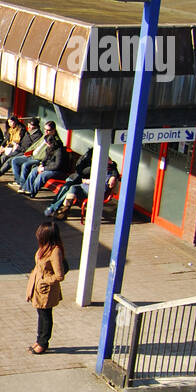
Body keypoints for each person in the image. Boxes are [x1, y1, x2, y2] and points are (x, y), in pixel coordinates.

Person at [25, 220, 67, 354]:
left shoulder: (55, 251)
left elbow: (60, 275)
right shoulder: (44, 247)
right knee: (41, 314)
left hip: (45, 290)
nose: (37, 235)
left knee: (45, 315)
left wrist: (45, 281)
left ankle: (43, 343)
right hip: (37, 287)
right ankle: (39, 340)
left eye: (40, 233)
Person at [44, 152, 120, 219]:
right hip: (84, 186)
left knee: (70, 188)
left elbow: (102, 184)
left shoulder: (110, 172)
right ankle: (64, 209)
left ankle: (59, 209)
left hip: (93, 191)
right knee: (72, 188)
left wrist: (88, 181)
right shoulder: (99, 168)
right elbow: (82, 171)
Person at [20, 125, 70, 195]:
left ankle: (32, 192)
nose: (46, 144)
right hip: (48, 167)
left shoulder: (59, 151)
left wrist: (44, 168)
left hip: (59, 171)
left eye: (47, 143)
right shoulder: (48, 148)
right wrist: (41, 165)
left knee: (42, 175)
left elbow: (57, 165)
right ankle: (26, 189)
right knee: (35, 170)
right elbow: (45, 159)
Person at [13, 122, 62, 189]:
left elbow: (48, 155)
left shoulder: (54, 141)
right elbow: (35, 145)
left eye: (48, 130)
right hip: (32, 155)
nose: (46, 131)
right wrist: (27, 152)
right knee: (15, 160)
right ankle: (20, 182)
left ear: (54, 130)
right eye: (44, 129)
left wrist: (42, 164)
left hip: (39, 159)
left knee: (25, 165)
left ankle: (24, 187)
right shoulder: (44, 136)